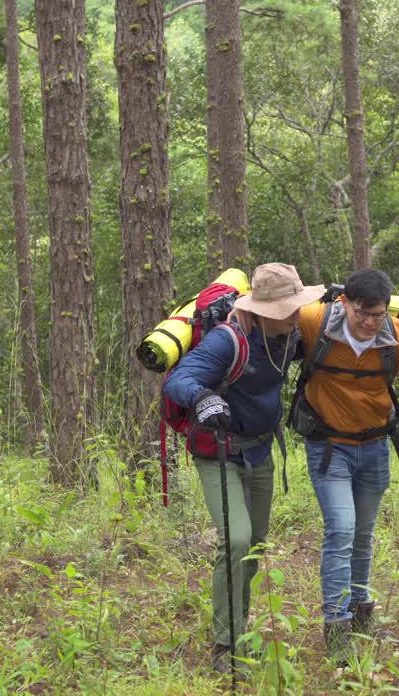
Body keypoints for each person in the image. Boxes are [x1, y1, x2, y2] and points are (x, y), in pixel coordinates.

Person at [163, 263, 325, 673]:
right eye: (289, 307)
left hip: (260, 453)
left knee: (253, 543)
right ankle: (225, 646)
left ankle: (240, 631)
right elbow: (178, 379)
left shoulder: (289, 336)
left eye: (297, 305)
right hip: (219, 454)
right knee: (235, 540)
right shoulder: (227, 340)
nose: (296, 313)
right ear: (265, 309)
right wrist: (202, 397)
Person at [289, 268, 399, 661]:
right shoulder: (315, 322)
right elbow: (272, 326)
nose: (369, 323)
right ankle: (337, 627)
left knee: (363, 534)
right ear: (345, 304)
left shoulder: (395, 332)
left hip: (375, 446)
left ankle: (361, 613)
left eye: (377, 315)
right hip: (329, 447)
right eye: (363, 313)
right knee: (341, 529)